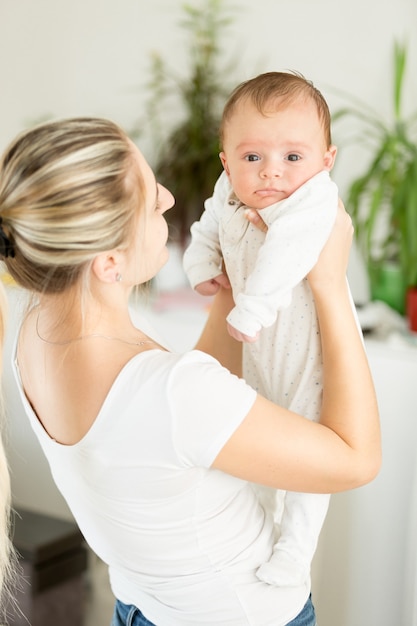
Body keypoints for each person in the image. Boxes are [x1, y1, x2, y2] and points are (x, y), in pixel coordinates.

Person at [0, 117, 380, 626]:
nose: (168, 199)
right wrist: (331, 282)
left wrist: (235, 273)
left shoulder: (31, 338)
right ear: (109, 261)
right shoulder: (172, 392)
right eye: (151, 201)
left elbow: (190, 422)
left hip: (141, 609)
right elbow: (356, 461)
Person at [183, 71, 354, 587]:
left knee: (309, 462)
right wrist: (201, 265)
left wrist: (250, 309)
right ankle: (256, 528)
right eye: (252, 157)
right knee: (256, 443)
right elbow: (208, 224)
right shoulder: (230, 192)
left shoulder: (314, 202)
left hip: (313, 358)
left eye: (293, 158)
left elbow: (285, 257)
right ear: (226, 160)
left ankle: (296, 548)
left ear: (326, 161)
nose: (271, 174)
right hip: (259, 352)